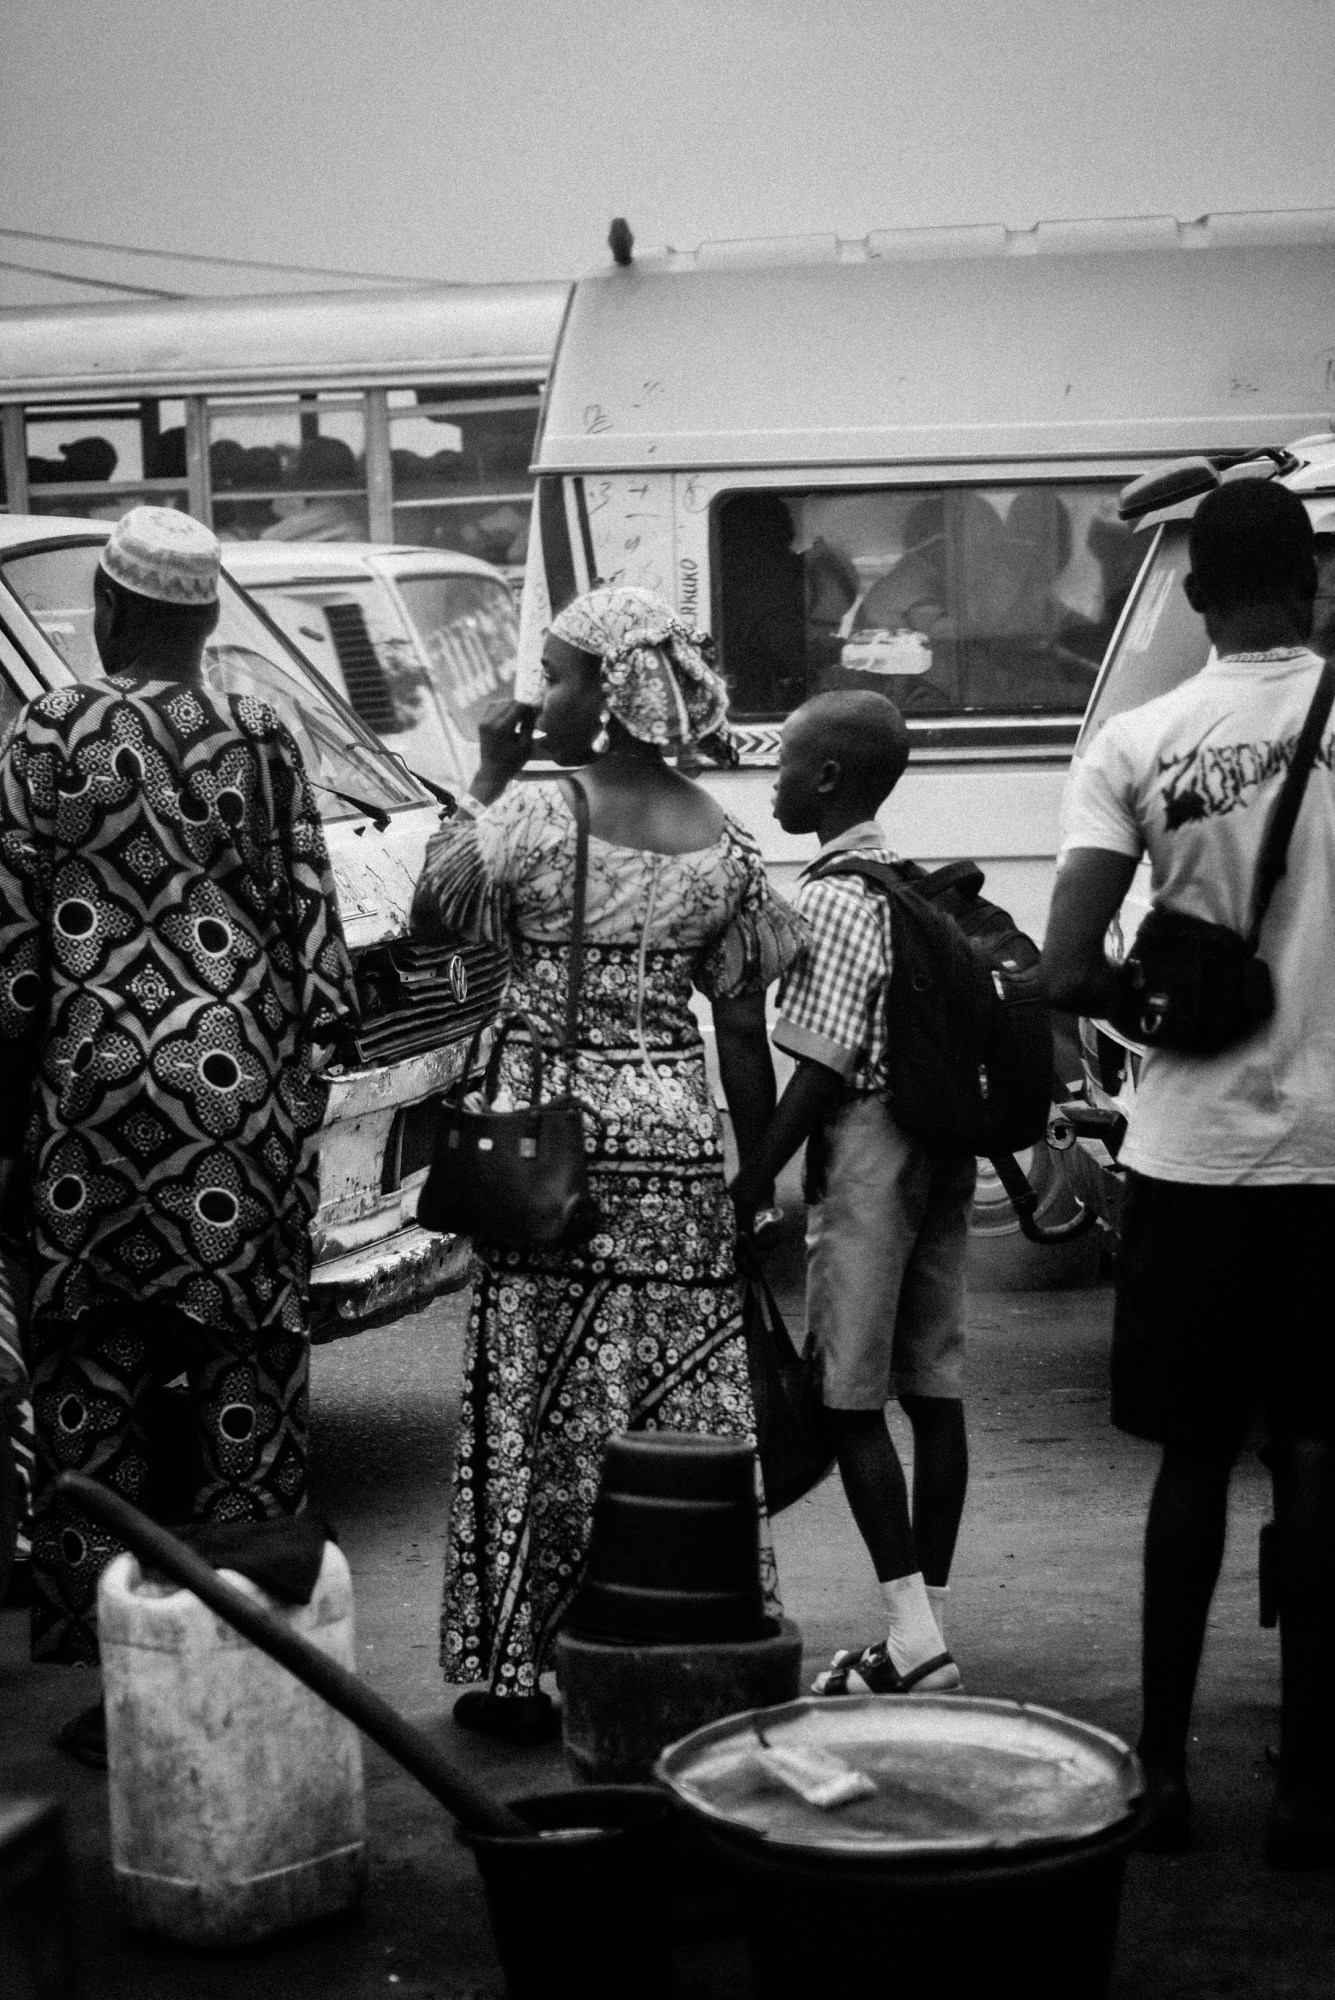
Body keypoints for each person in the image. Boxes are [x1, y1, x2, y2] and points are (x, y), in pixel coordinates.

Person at [411, 584, 805, 1744]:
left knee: (536, 1393)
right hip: (676, 1143)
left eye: (562, 673)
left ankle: (521, 1665)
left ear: (610, 689)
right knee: (674, 1402)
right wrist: (754, 1181)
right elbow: (742, 1033)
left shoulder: (532, 818)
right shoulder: (725, 846)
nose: (544, 694)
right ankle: (682, 1641)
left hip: (552, 1143)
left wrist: (482, 773)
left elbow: (436, 913)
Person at [0, 506, 357, 1759]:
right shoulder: (262, 733)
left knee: (92, 1387)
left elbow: (14, 955)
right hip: (235, 1106)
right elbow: (318, 942)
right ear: (207, 625)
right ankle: (246, 1655)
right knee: (244, 1377)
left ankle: (121, 1679)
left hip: (90, 1120)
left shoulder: (48, 729)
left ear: (105, 612)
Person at [1042, 479, 1335, 1865]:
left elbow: (1060, 966)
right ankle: (1307, 1785)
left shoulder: (1137, 740)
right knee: (1321, 1460)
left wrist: (1151, 1005)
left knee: (1190, 1465)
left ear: (1193, 596)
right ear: (1310, 586)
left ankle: (1159, 1776)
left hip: (1189, 1162)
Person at [731, 689, 974, 1696]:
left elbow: (820, 1066)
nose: (774, 779)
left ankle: (915, 1639)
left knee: (847, 1398)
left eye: (783, 762)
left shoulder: (832, 893)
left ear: (827, 778)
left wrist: (754, 1177)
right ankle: (925, 1627)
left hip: (871, 1151)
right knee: (935, 1389)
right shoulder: (909, 882)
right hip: (940, 1146)